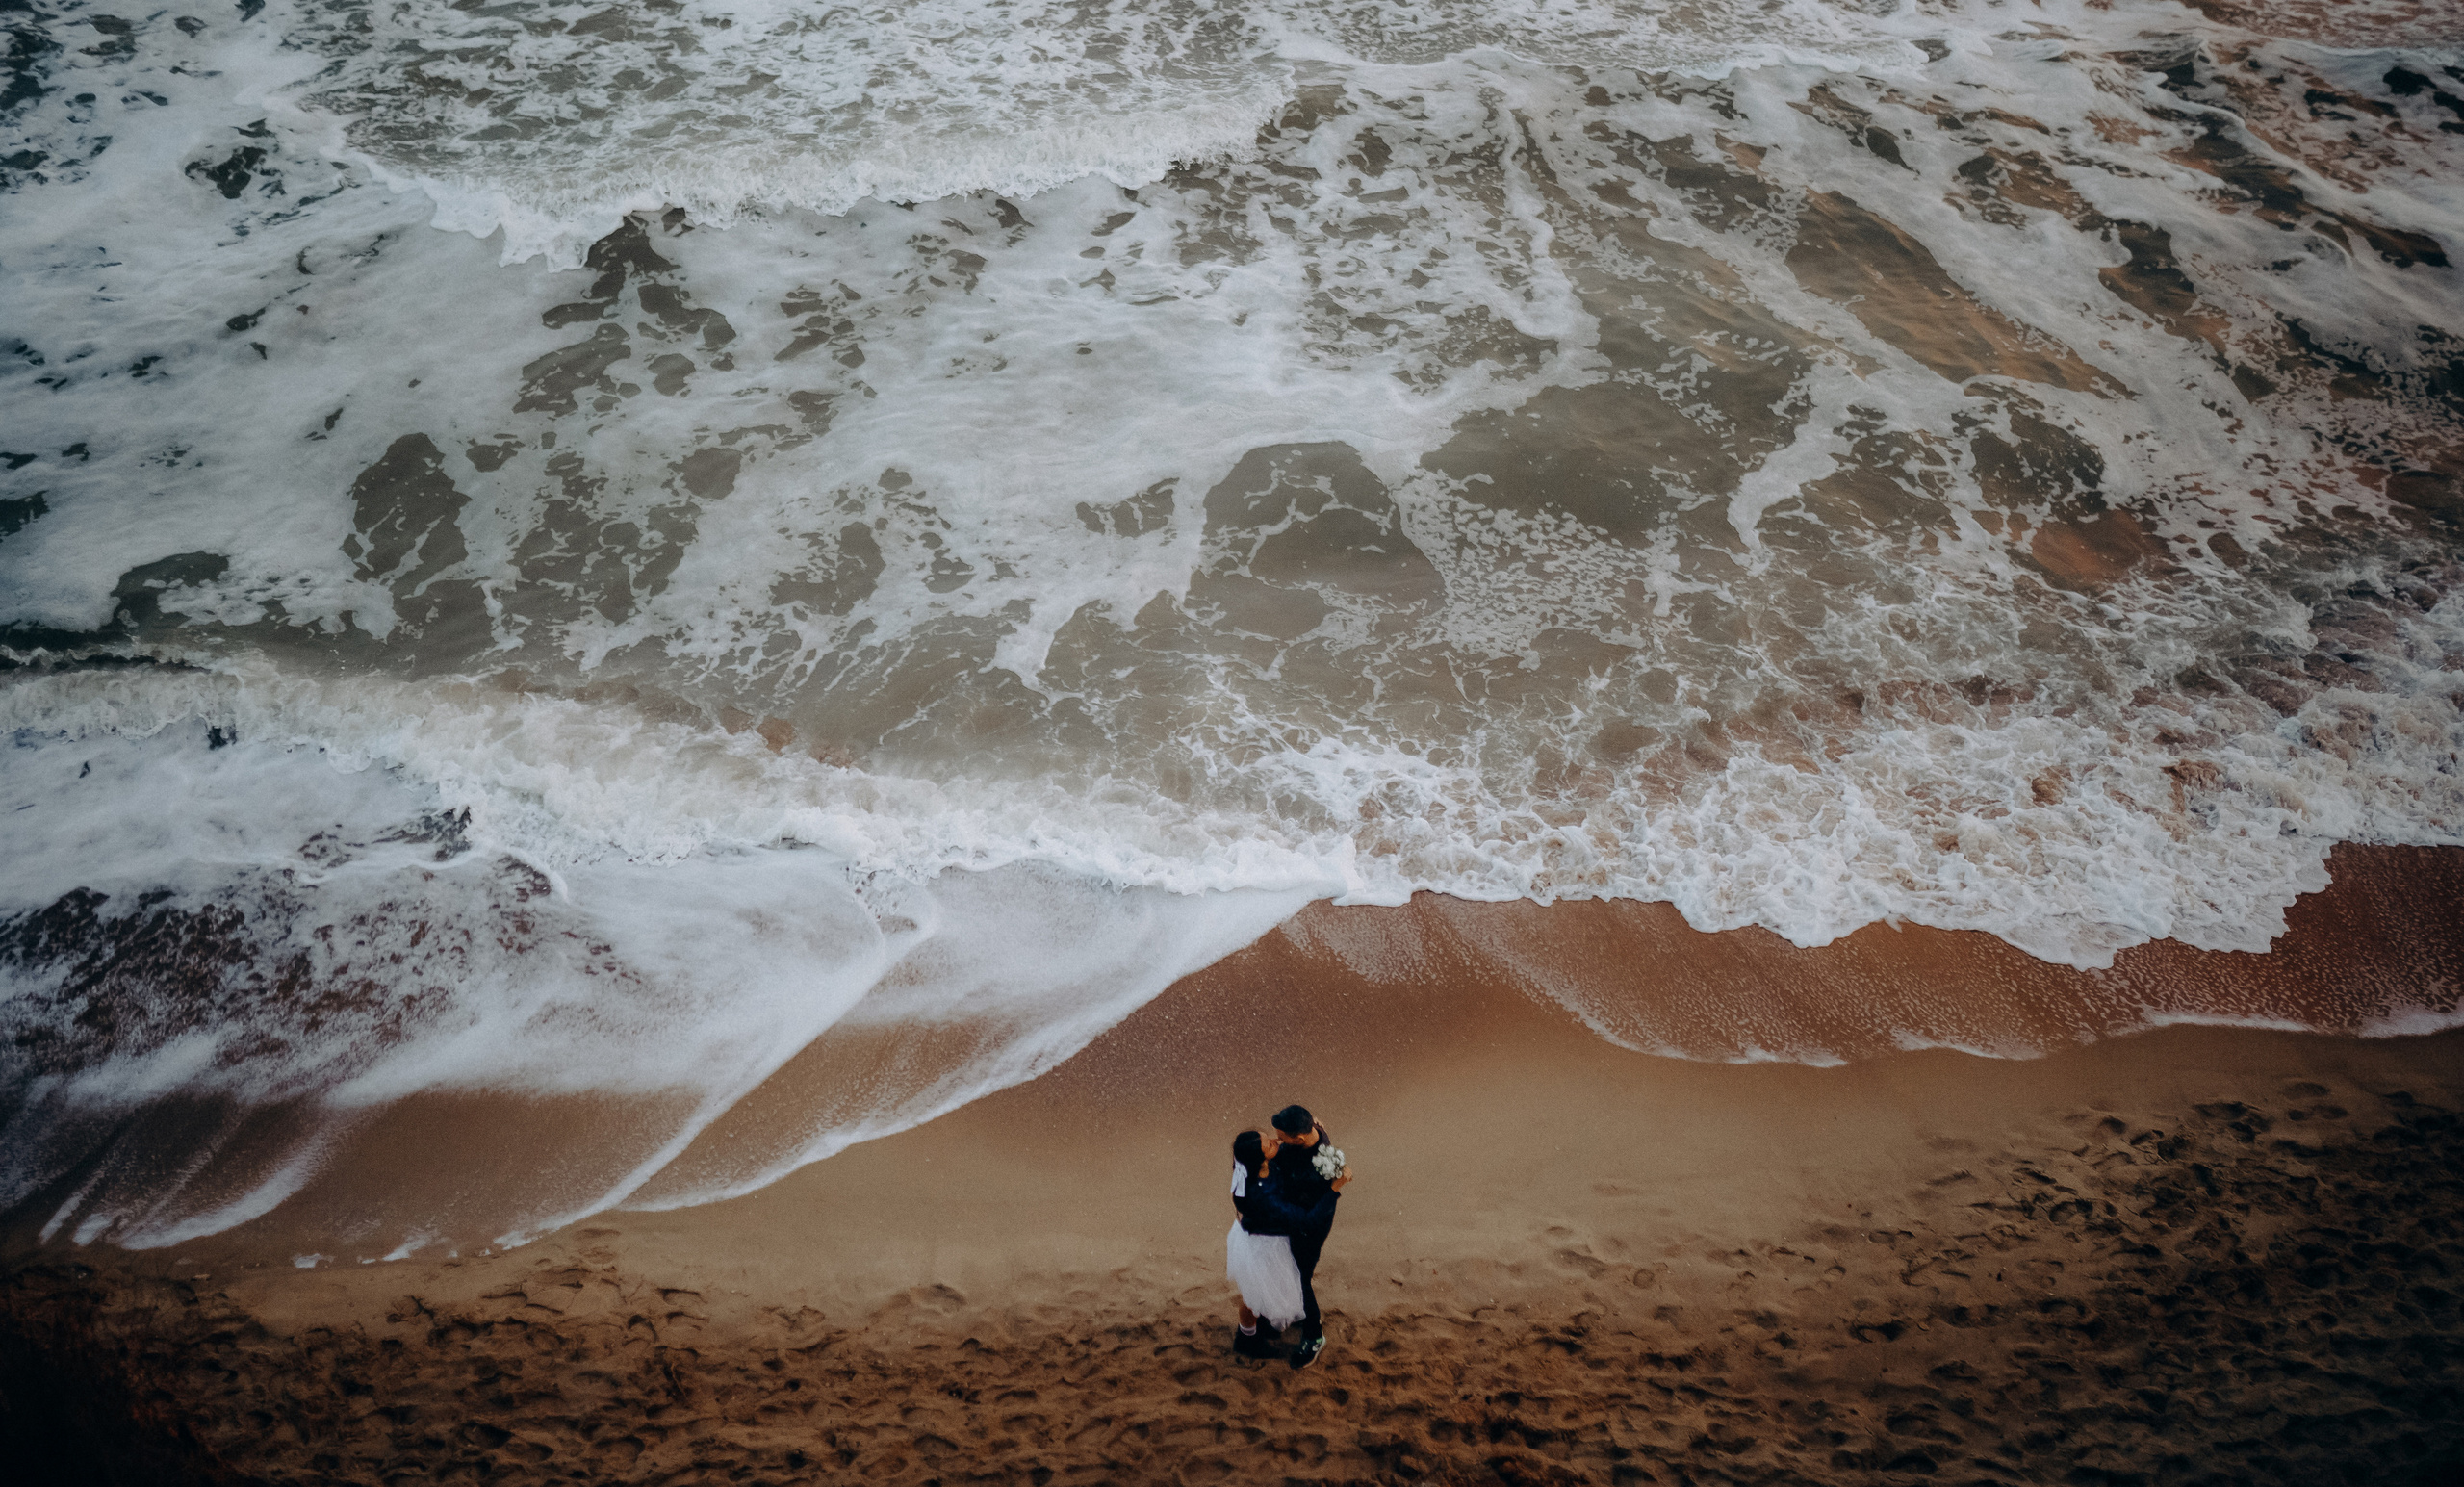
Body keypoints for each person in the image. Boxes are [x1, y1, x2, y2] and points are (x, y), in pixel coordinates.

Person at [1225, 1127, 1349, 1365]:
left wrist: (1314, 1129)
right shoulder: (1262, 1195)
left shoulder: (1245, 1159)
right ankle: (1247, 1339)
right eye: (1268, 1145)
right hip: (1265, 1245)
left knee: (1254, 1291)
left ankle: (1248, 1333)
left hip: (1251, 1232)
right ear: (1260, 1159)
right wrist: (1335, 1188)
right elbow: (1306, 1220)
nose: (1275, 1141)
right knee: (1255, 1295)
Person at [1265, 1103, 1344, 1369]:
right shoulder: (1312, 1134)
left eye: (1282, 1137)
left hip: (1310, 1225)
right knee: (1291, 1273)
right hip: (1293, 1219)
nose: (1278, 1140)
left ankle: (1314, 1336)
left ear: (1298, 1138)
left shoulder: (1321, 1165)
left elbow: (1323, 1204)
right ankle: (1297, 1312)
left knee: (1301, 1278)